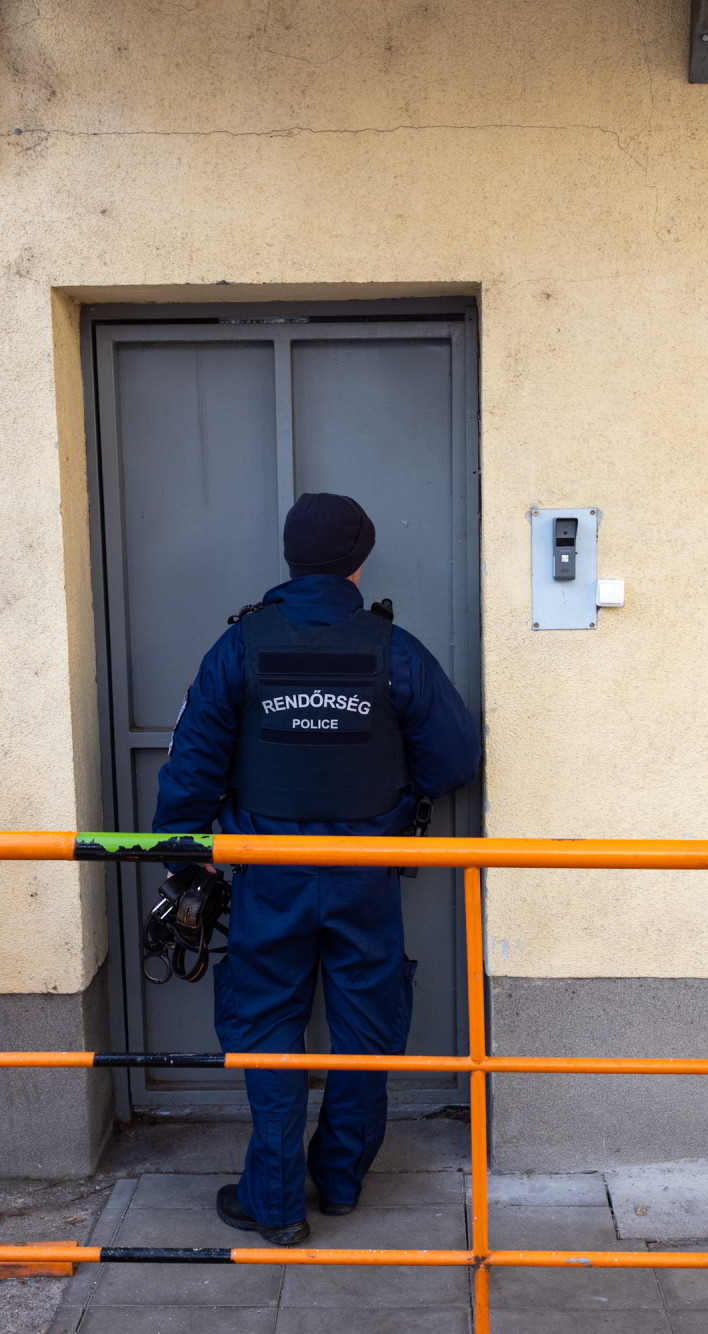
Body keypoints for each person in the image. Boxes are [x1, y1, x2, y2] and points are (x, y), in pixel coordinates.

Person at [152, 492, 481, 1246]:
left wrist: (186, 866)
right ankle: (339, 1183)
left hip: (268, 874)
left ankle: (274, 1204)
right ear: (360, 560)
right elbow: (455, 759)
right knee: (366, 1028)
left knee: (268, 1029)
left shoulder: (239, 648)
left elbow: (190, 771)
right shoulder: (395, 650)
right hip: (366, 873)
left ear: (291, 557)